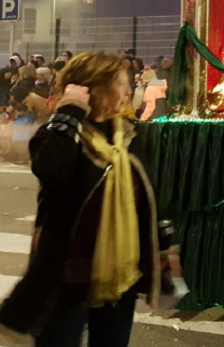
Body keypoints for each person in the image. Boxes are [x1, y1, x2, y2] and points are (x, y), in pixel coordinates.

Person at [0, 52, 164, 346]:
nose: (129, 91)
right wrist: (70, 110)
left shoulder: (128, 136)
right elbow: (50, 166)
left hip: (119, 278)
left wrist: (165, 254)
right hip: (65, 281)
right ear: (92, 88)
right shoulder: (58, 135)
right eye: (121, 83)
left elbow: (149, 199)